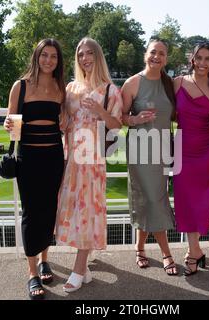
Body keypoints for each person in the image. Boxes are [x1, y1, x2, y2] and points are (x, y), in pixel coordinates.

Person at [55, 37, 123, 292]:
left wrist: (100, 112)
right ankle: (84, 268)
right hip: (71, 156)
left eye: (89, 53)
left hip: (93, 159)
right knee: (73, 210)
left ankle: (79, 268)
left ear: (98, 56)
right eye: (81, 54)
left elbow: (116, 125)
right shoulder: (70, 88)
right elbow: (65, 121)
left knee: (87, 211)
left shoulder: (110, 90)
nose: (85, 58)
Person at [4, 38, 66, 299]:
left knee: (49, 210)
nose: (48, 60)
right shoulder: (21, 86)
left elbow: (64, 122)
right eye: (44, 55)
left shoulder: (61, 87)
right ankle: (32, 273)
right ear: (36, 57)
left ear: (58, 61)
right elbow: (11, 122)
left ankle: (44, 259)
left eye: (53, 56)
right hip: (28, 158)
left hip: (54, 156)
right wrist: (8, 124)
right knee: (31, 213)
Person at [121, 38, 178, 276]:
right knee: (153, 199)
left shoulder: (171, 84)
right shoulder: (132, 83)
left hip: (163, 149)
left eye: (162, 54)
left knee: (150, 198)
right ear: (146, 54)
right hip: (140, 149)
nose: (157, 57)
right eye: (153, 52)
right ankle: (166, 253)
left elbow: (175, 116)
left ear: (166, 58)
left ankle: (139, 247)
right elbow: (121, 117)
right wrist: (135, 119)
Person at [172, 42, 209, 276]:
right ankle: (194, 250)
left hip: (207, 155)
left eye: (208, 59)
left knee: (202, 204)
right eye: (199, 58)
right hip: (182, 151)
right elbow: (170, 114)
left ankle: (193, 251)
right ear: (192, 59)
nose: (203, 63)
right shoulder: (177, 83)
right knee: (185, 203)